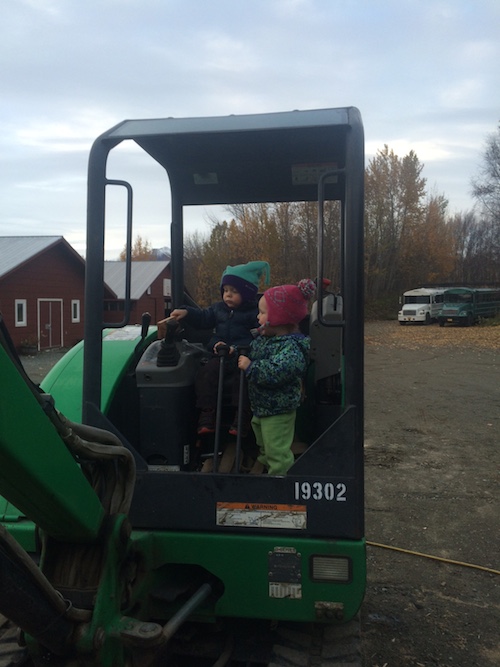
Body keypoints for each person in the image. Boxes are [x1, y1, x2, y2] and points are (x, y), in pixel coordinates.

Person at [170, 260, 270, 435]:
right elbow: (203, 318)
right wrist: (187, 312)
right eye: (225, 290)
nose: (228, 295)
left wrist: (238, 350)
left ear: (247, 294)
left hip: (243, 357)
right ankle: (207, 414)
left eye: (234, 291)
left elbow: (259, 338)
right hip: (220, 355)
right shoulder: (218, 309)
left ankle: (242, 417)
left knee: (244, 379)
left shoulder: (255, 314)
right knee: (206, 373)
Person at [237, 278, 316, 475]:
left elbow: (277, 371)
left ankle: (280, 478)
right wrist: (232, 351)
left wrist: (251, 367)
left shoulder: (292, 348)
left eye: (262, 313)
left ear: (279, 318)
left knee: (276, 448)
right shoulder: (266, 339)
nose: (257, 317)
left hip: (279, 409)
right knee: (262, 439)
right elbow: (252, 352)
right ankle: (264, 461)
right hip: (262, 406)